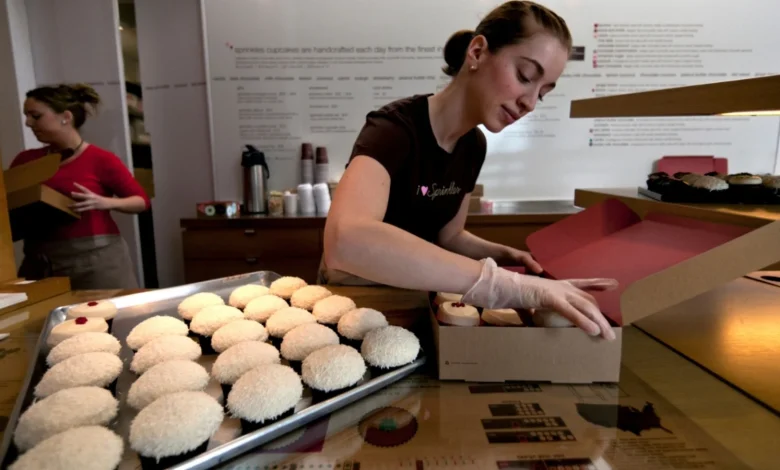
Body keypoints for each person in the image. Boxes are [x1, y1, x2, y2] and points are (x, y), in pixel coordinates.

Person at [322, 1, 618, 340]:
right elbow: (346, 239)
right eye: (525, 76)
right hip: (358, 301)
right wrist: (509, 284)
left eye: (543, 93)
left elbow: (449, 237)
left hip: (416, 297)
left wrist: (508, 256)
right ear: (477, 52)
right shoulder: (394, 130)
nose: (530, 103)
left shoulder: (473, 145)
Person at [9, 83, 150, 289]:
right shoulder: (25, 161)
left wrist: (104, 202)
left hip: (96, 264)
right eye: (26, 116)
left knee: (109, 319)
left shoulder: (101, 159)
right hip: (40, 264)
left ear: (65, 116)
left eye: (35, 116)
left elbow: (141, 202)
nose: (28, 123)